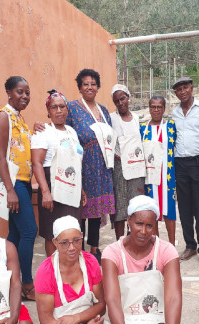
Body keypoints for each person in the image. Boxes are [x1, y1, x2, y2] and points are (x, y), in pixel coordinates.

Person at [102, 195, 182, 324]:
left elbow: (173, 298)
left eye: (149, 225)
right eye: (139, 223)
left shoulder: (166, 251)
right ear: (129, 220)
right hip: (126, 323)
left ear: (155, 226)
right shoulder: (112, 253)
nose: (144, 231)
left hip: (158, 320)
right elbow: (112, 300)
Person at [35, 216, 114, 324]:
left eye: (76, 240)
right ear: (55, 243)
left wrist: (76, 318)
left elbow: (101, 306)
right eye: (64, 242)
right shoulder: (46, 271)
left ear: (82, 237)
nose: (71, 247)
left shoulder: (90, 262)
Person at [0, 76, 38, 301]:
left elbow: (19, 148)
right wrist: (10, 190)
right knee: (29, 231)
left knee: (16, 233)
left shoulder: (20, 119)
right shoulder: (2, 116)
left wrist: (33, 131)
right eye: (20, 92)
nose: (24, 96)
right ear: (8, 92)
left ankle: (8, 278)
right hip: (14, 182)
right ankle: (26, 283)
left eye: (27, 92)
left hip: (23, 181)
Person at [67, 68, 116, 263]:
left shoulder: (103, 110)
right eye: (85, 84)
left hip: (102, 166)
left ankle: (94, 247)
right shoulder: (71, 108)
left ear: (98, 87)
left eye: (93, 84)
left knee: (96, 210)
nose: (89, 87)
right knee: (82, 209)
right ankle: (77, 248)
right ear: (79, 87)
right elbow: (62, 129)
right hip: (82, 165)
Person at [31, 90, 85, 257]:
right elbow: (37, 163)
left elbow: (76, 163)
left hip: (71, 187)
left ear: (67, 109)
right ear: (48, 111)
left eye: (62, 106)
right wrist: (46, 192)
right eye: (54, 107)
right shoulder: (43, 131)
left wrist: (81, 189)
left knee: (72, 229)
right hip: (52, 186)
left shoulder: (71, 132)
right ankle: (54, 272)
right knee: (52, 232)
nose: (59, 111)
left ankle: (73, 270)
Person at [172, 77, 199, 266]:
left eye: (185, 87)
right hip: (179, 164)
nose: (182, 91)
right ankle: (191, 245)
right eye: (179, 89)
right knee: (184, 208)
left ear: (192, 88)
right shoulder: (174, 112)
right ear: (176, 93)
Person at [140, 95, 177, 245]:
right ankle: (156, 246)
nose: (156, 110)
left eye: (159, 107)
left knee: (170, 212)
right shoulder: (142, 128)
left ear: (164, 108)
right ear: (149, 108)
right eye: (153, 107)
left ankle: (172, 245)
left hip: (168, 176)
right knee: (152, 212)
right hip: (149, 177)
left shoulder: (171, 126)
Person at [110, 84, 145, 240]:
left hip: (136, 167)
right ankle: (120, 242)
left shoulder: (137, 119)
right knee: (120, 205)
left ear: (128, 97)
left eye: (122, 98)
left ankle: (132, 239)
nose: (120, 103)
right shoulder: (111, 118)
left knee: (135, 203)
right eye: (116, 101)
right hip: (119, 167)